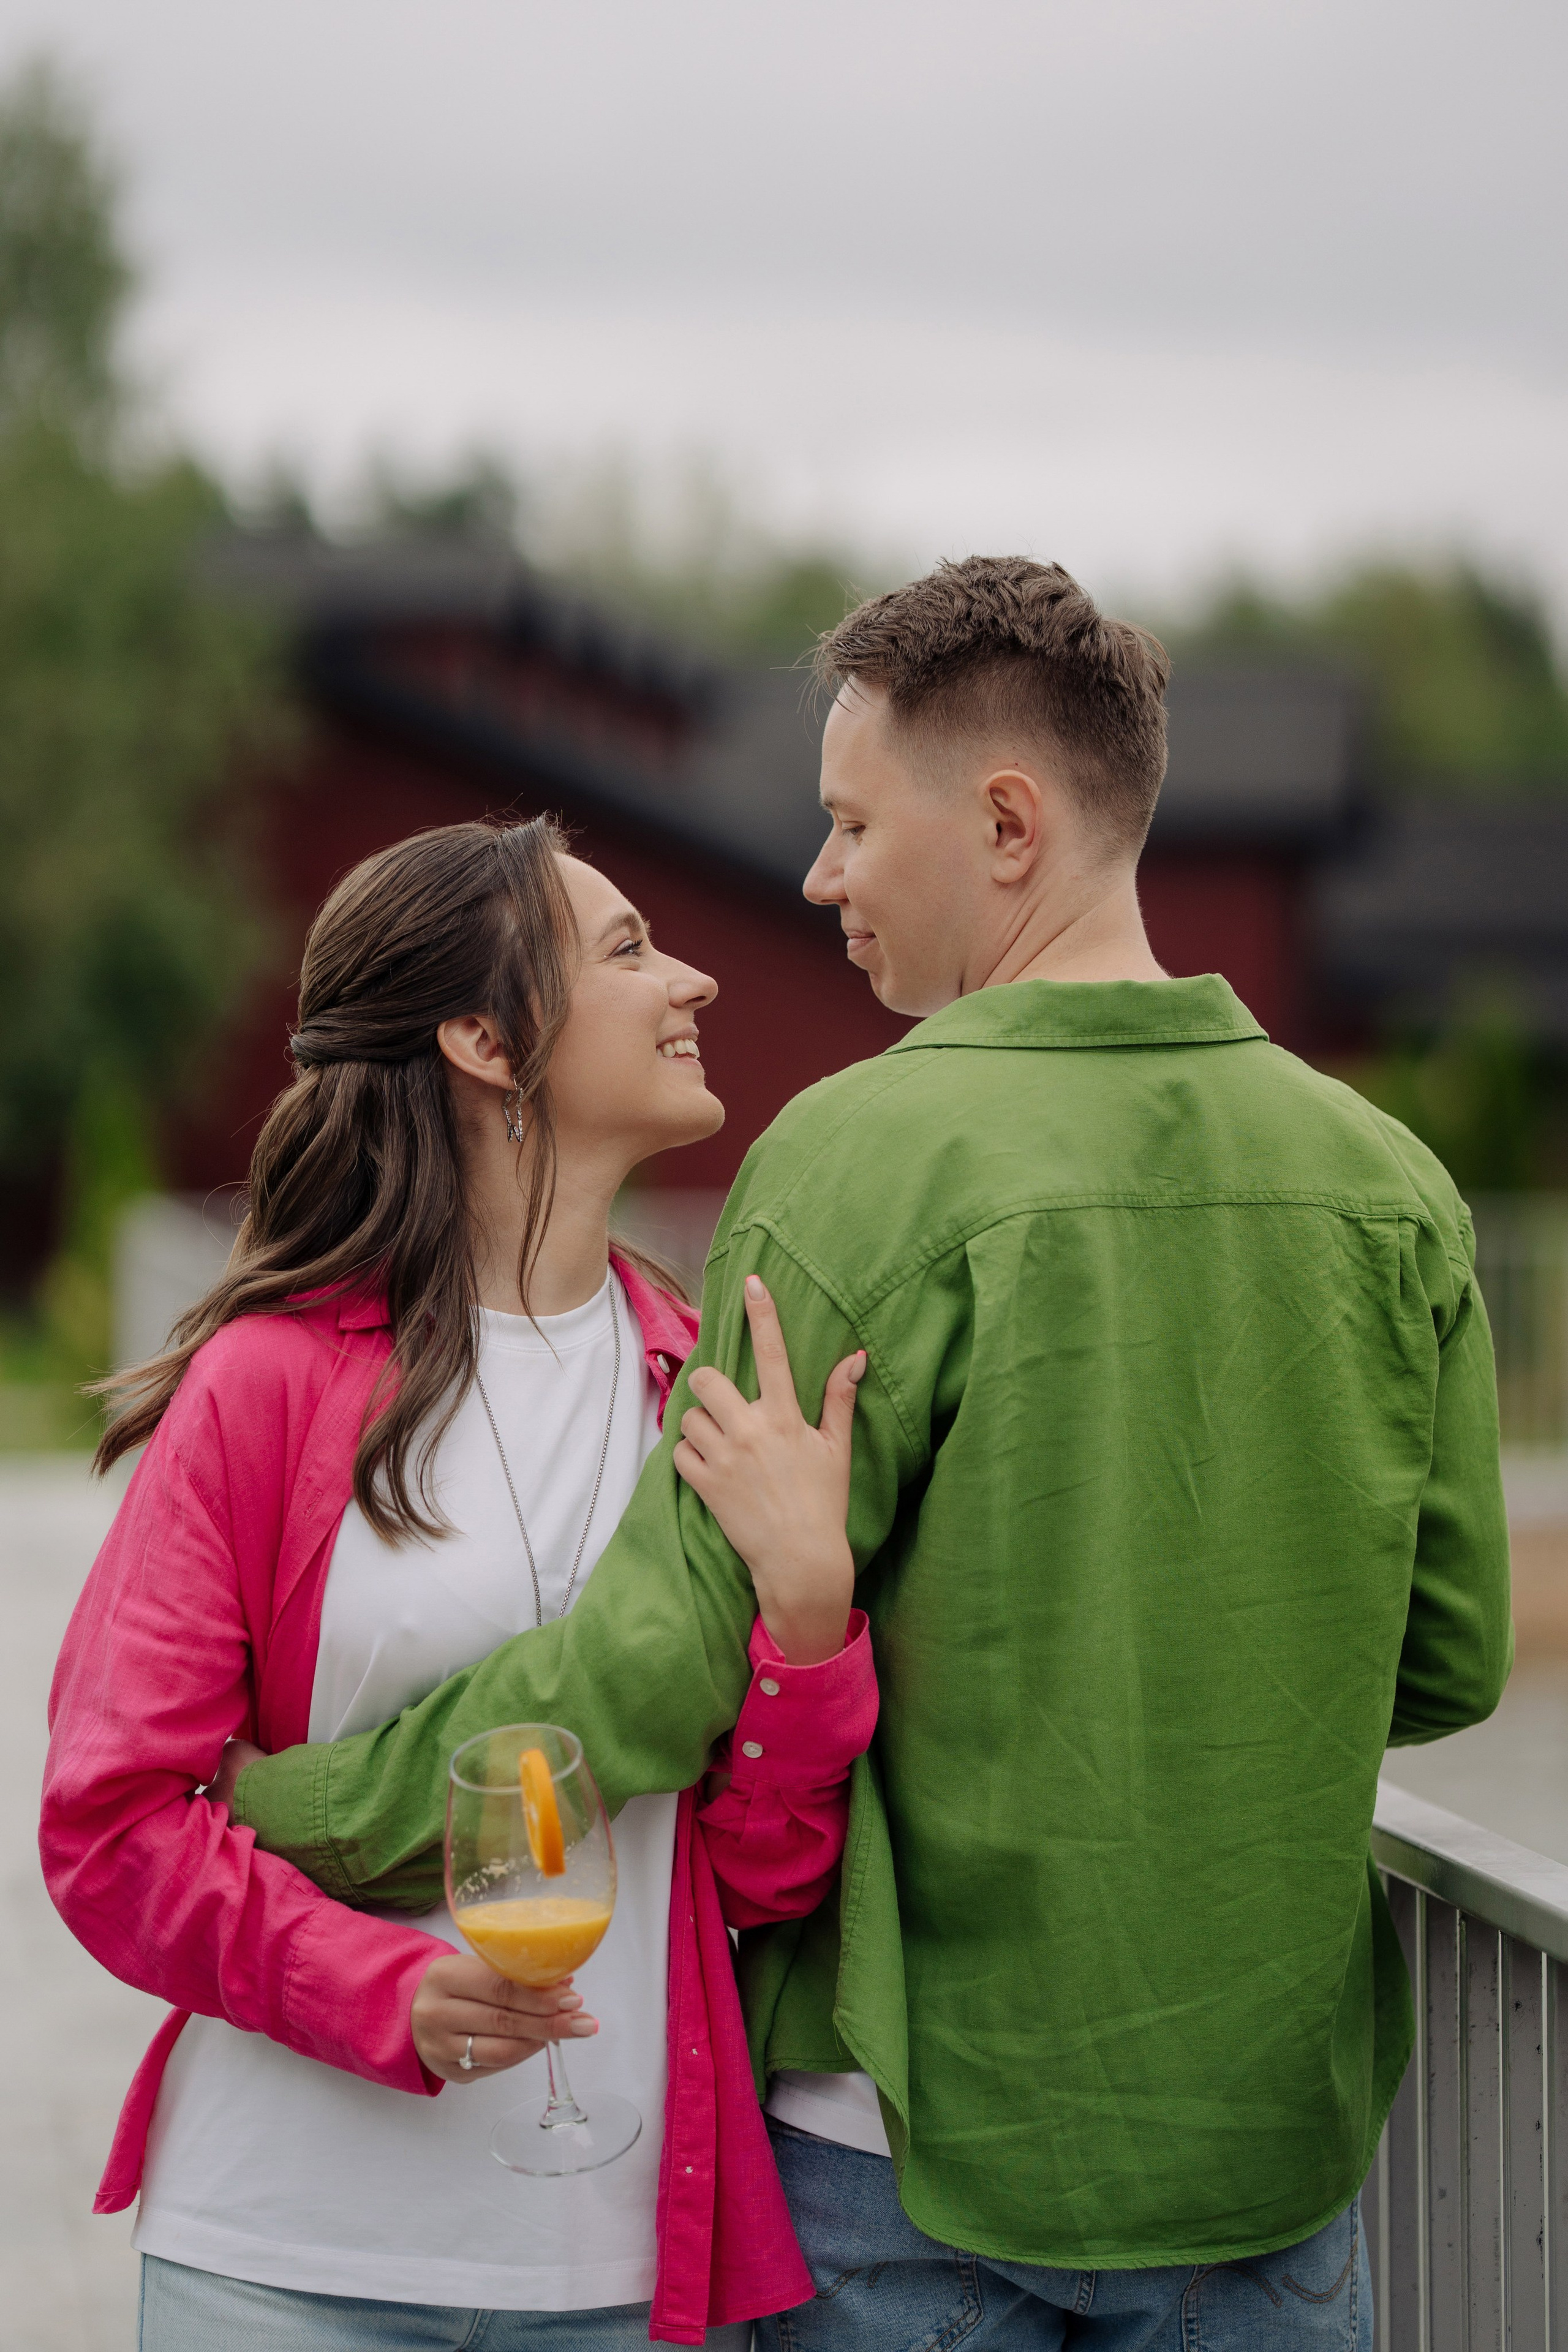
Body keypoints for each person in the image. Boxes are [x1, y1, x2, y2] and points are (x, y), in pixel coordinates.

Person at [212, 559, 1512, 2350]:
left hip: (908, 2162)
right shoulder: (1392, 1191)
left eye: (845, 823)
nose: (818, 874)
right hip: (1262, 2176)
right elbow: (1440, 1661)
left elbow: (653, 1669)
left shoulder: (855, 1160)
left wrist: (298, 1811)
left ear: (1003, 822)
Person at [41, 818, 877, 2350]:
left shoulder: (698, 1391)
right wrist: (376, 1989)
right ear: (488, 1041)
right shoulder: (267, 1387)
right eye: (626, 950)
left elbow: (757, 1876)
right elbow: (110, 1829)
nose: (692, 977)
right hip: (281, 2258)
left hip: (613, 2268)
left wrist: (811, 1630)